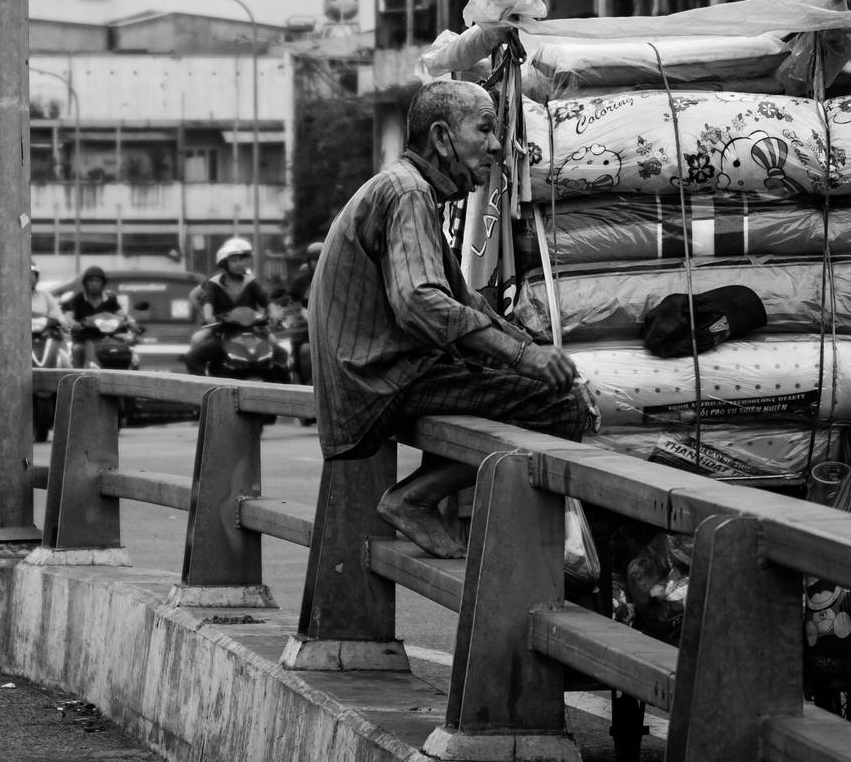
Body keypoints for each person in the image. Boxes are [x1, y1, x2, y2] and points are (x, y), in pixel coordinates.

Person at [311, 78, 599, 559]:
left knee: (539, 382)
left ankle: (432, 502)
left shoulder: (404, 188)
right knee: (563, 407)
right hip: (380, 382)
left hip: (372, 379)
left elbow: (466, 303)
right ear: (442, 138)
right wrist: (523, 357)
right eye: (484, 130)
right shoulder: (408, 193)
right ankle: (417, 499)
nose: (495, 147)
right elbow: (420, 302)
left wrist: (533, 352)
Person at [183, 237, 287, 379]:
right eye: (234, 261)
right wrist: (208, 317)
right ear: (224, 263)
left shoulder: (251, 281)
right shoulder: (214, 282)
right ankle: (203, 389)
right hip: (225, 330)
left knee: (281, 354)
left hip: (252, 329)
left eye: (240, 259)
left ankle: (286, 390)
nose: (239, 263)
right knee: (192, 357)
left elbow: (266, 299)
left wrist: (274, 313)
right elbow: (208, 301)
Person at [61, 265, 126, 368]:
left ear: (103, 283)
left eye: (97, 281)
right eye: (91, 281)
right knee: (77, 349)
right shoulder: (78, 298)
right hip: (83, 338)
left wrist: (130, 323)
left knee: (124, 349)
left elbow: (122, 315)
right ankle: (77, 374)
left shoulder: (110, 299)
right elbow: (68, 316)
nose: (94, 284)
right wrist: (75, 325)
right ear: (85, 283)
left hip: (107, 339)